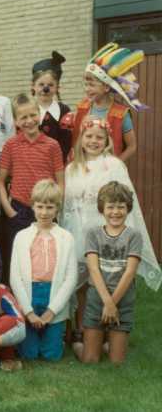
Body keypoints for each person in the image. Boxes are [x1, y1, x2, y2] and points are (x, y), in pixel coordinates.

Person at [61, 118, 161, 339]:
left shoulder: (113, 165)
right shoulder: (71, 168)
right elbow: (67, 207)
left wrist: (123, 234)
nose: (93, 141)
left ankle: (107, 326)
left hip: (104, 232)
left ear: (107, 140)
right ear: (81, 139)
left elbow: (124, 201)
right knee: (81, 282)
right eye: (89, 136)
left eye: (99, 137)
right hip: (77, 231)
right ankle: (82, 328)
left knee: (104, 279)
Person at [73, 182, 146, 364]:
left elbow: (130, 272)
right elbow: (93, 269)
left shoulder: (134, 236)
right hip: (97, 298)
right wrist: (107, 302)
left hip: (123, 298)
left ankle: (109, 343)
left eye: (121, 207)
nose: (115, 212)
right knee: (90, 360)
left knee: (116, 363)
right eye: (110, 207)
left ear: (128, 209)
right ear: (102, 209)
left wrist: (113, 304)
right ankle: (78, 344)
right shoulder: (93, 234)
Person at [0, 93, 64, 280]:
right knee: (18, 261)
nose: (29, 121)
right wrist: (9, 210)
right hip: (19, 210)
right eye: (23, 117)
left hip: (45, 211)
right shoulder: (11, 145)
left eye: (33, 115)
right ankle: (17, 297)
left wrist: (55, 208)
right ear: (16, 121)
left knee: (45, 259)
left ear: (39, 115)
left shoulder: (52, 145)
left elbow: (61, 182)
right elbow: (0, 181)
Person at [10, 179, 77, 361]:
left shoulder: (66, 238)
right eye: (40, 207)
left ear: (57, 208)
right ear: (32, 206)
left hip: (54, 295)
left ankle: (54, 336)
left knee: (51, 355)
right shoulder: (22, 236)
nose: (44, 212)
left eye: (49, 207)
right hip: (29, 295)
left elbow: (71, 278)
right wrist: (29, 312)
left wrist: (51, 312)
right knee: (29, 354)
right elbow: (15, 277)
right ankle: (28, 335)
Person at [72, 42, 146, 162]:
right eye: (85, 85)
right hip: (84, 167)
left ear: (106, 87)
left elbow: (132, 146)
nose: (87, 89)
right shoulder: (82, 107)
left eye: (92, 85)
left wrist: (115, 165)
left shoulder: (121, 113)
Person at [31, 51, 71, 162]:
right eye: (41, 84)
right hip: (33, 163)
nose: (46, 89)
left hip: (57, 164)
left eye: (50, 85)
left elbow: (67, 142)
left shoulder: (64, 111)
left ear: (57, 87)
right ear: (33, 86)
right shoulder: (28, 110)